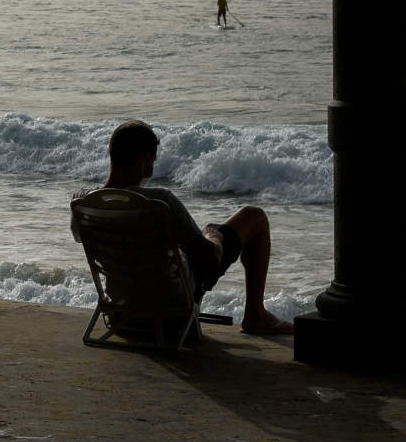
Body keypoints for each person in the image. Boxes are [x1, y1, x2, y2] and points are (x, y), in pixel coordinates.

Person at [99, 120, 292, 334]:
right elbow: (209, 259)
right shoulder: (160, 202)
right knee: (254, 217)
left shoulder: (84, 203)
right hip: (170, 310)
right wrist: (213, 236)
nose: (151, 171)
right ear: (145, 161)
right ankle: (255, 315)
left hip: (122, 312)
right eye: (152, 162)